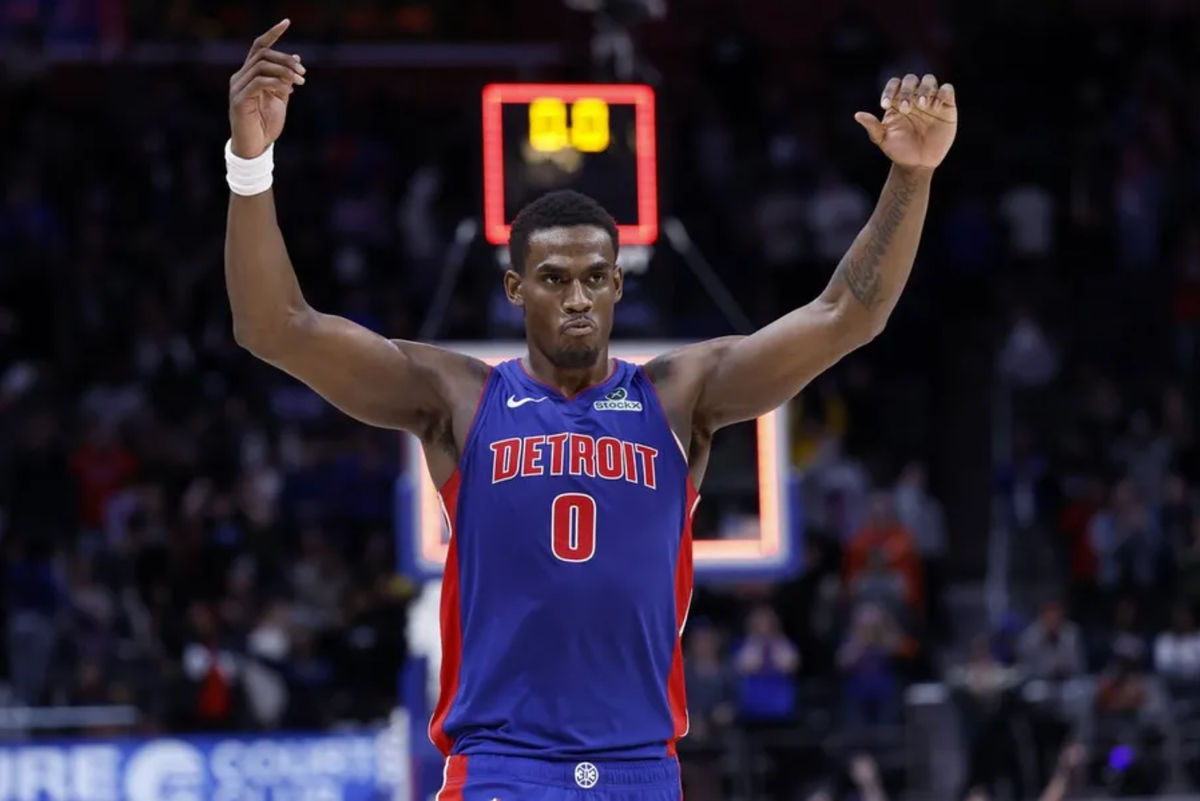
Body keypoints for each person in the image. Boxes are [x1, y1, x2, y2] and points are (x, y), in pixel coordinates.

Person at [223, 19, 958, 800]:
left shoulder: (681, 396)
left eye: (595, 276)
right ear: (516, 289)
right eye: (553, 276)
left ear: (617, 285)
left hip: (640, 766)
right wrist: (250, 162)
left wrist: (910, 178)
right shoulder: (461, 398)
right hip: (502, 767)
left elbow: (846, 313)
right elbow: (276, 327)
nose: (576, 295)